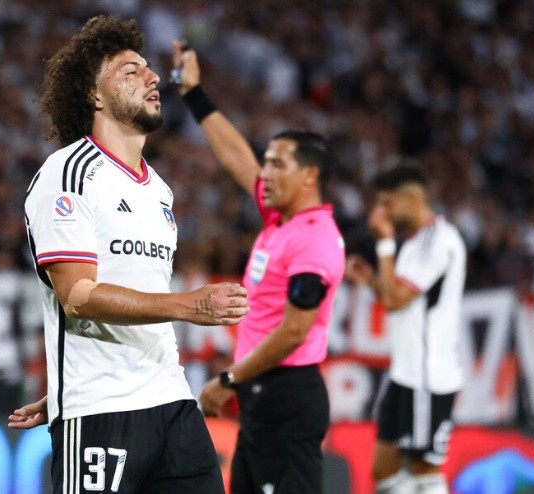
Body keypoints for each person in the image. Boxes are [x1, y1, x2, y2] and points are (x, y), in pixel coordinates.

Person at [8, 16, 250, 494]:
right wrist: (188, 304)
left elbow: (133, 295)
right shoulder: (68, 173)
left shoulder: (158, 190)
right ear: (94, 95)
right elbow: (78, 296)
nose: (152, 77)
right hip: (101, 411)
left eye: (149, 68)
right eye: (130, 71)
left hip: (171, 400)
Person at [172, 42, 346, 494]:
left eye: (277, 165)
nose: (264, 173)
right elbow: (237, 156)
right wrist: (194, 94)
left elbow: (294, 332)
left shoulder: (314, 239)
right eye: (266, 162)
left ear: (309, 176)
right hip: (262, 398)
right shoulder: (280, 220)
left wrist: (230, 379)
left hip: (287, 396)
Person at [344, 164, 466, 494]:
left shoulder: (440, 241)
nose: (380, 212)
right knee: (383, 471)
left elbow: (396, 300)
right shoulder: (413, 243)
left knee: (424, 470)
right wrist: (371, 280)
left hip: (428, 376)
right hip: (405, 374)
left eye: (386, 203)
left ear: (411, 198)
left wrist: (384, 244)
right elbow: (399, 299)